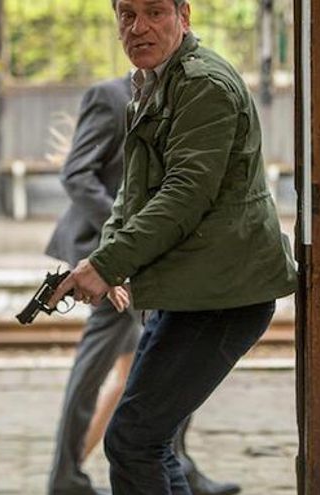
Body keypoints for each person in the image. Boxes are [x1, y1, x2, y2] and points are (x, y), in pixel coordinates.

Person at [48, 0, 298, 493]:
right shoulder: (157, 82)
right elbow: (133, 193)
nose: (138, 27)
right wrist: (107, 260)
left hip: (223, 296)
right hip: (193, 289)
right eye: (127, 15)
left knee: (134, 440)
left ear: (184, 17)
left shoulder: (203, 85)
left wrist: (108, 264)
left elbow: (184, 194)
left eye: (155, 12)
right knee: (144, 440)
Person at [45, 75, 242, 495]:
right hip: (107, 253)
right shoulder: (108, 96)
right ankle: (68, 477)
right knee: (114, 363)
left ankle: (173, 465)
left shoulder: (185, 97)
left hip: (145, 253)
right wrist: (127, 238)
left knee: (164, 355)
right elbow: (77, 175)